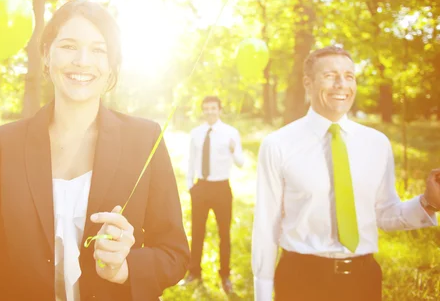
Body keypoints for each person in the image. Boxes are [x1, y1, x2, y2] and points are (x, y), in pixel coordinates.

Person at [0, 0, 189, 301]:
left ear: (112, 66)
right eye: (69, 46)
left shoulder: (145, 139)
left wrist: (125, 268)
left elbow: (174, 254)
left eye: (99, 50)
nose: (83, 61)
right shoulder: (3, 144)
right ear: (46, 55)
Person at [251, 46, 440, 301]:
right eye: (330, 75)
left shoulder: (377, 143)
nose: (342, 84)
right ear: (308, 83)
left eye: (349, 76)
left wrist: (428, 203)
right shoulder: (278, 145)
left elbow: (384, 214)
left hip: (363, 281)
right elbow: (266, 226)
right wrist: (262, 295)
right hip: (301, 281)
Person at [183, 96, 244, 294]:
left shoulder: (230, 133)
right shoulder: (196, 133)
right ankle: (194, 272)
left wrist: (234, 151)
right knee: (197, 232)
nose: (210, 111)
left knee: (224, 233)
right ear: (203, 110)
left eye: (213, 108)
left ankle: (225, 275)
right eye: (206, 108)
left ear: (219, 110)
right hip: (200, 188)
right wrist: (190, 186)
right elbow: (191, 161)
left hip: (221, 188)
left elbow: (241, 162)